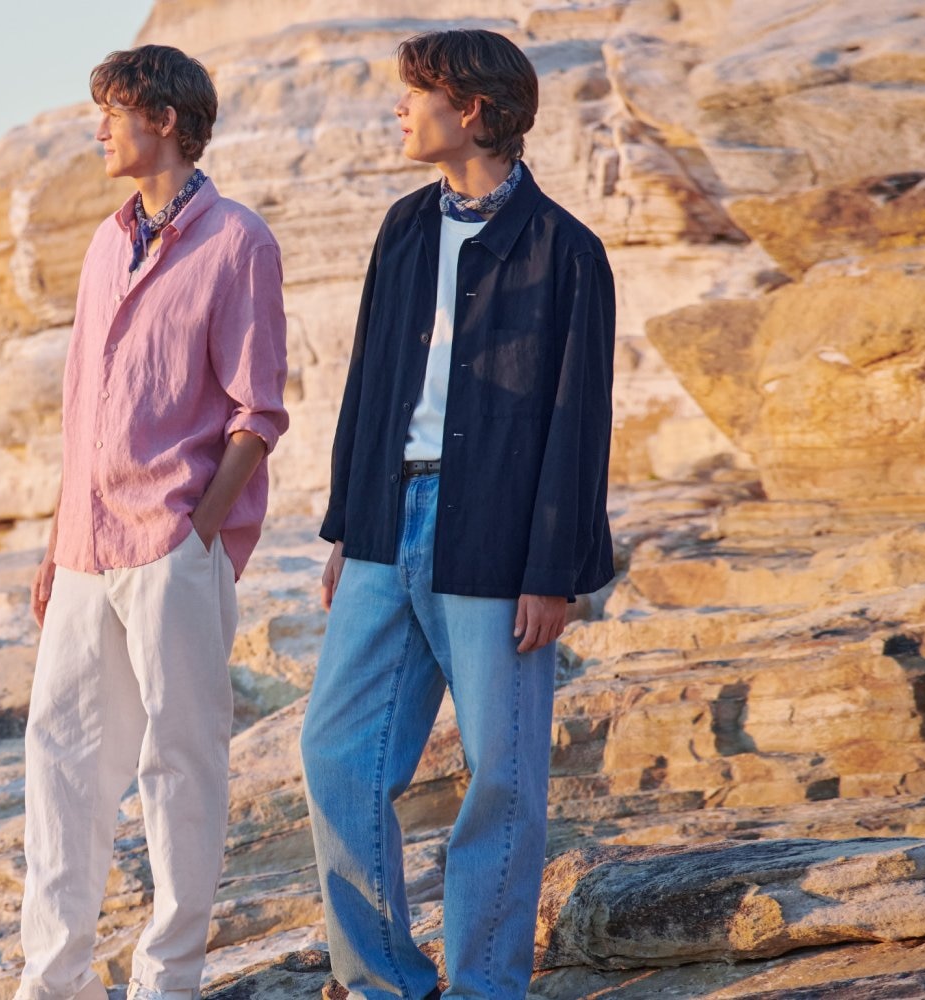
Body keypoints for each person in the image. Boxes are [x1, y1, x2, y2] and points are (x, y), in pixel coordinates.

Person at [303, 28, 616, 999]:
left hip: (494, 532)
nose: (396, 109)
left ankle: (483, 985)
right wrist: (344, 528)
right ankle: (383, 979)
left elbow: (576, 419)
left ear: (469, 108)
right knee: (335, 752)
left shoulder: (566, 251)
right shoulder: (401, 227)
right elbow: (368, 382)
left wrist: (551, 568)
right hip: (383, 519)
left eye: (412, 93)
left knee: (501, 775)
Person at [13, 44, 290, 1000]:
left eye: (111, 111)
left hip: (174, 544)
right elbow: (81, 408)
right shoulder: (102, 243)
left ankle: (165, 981)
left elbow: (259, 412)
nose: (97, 128)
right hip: (86, 552)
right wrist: (57, 541)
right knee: (60, 765)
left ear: (163, 120)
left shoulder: (238, 241)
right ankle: (52, 982)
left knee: (182, 766)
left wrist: (200, 530)